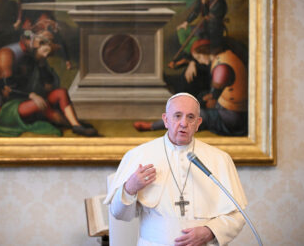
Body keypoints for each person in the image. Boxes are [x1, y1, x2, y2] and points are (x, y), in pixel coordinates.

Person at [104, 93, 247, 246]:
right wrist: (130, 188)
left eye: (190, 117)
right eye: (177, 116)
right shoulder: (139, 155)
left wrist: (210, 231)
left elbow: (237, 215)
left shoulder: (220, 159)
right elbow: (119, 214)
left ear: (198, 123)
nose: (184, 123)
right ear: (166, 120)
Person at [0, 20, 97, 137]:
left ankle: (76, 125)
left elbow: (48, 86)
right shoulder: (6, 54)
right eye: (42, 41)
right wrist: (31, 95)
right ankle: (72, 124)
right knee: (42, 104)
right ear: (30, 38)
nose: (46, 45)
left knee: (60, 92)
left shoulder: (33, 54)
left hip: (29, 100)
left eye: (47, 42)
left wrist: (41, 62)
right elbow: (5, 89)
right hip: (8, 107)